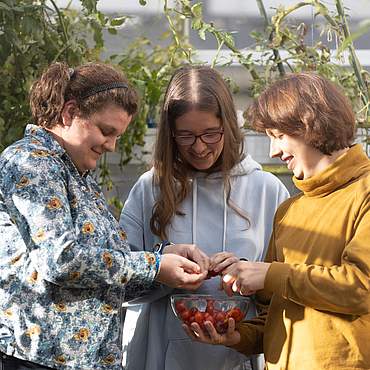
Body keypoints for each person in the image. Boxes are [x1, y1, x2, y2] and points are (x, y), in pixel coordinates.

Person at [0, 62, 207, 370]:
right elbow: (60, 259)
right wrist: (153, 265)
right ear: (69, 112)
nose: (111, 145)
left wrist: (170, 269)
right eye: (106, 131)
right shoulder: (30, 163)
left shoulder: (77, 174)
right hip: (36, 362)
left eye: (117, 135)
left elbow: (110, 279)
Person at [186, 72, 370, 370]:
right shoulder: (290, 211)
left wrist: (270, 274)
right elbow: (274, 314)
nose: (274, 151)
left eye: (278, 136)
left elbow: (362, 288)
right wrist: (237, 335)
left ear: (308, 124)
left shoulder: (365, 193)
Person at [119, 65, 289, 370]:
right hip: (161, 355)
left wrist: (250, 277)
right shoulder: (150, 189)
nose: (199, 147)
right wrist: (160, 269)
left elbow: (287, 287)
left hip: (238, 356)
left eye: (211, 133)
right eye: (185, 135)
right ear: (170, 134)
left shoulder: (266, 190)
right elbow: (117, 283)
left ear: (229, 125)